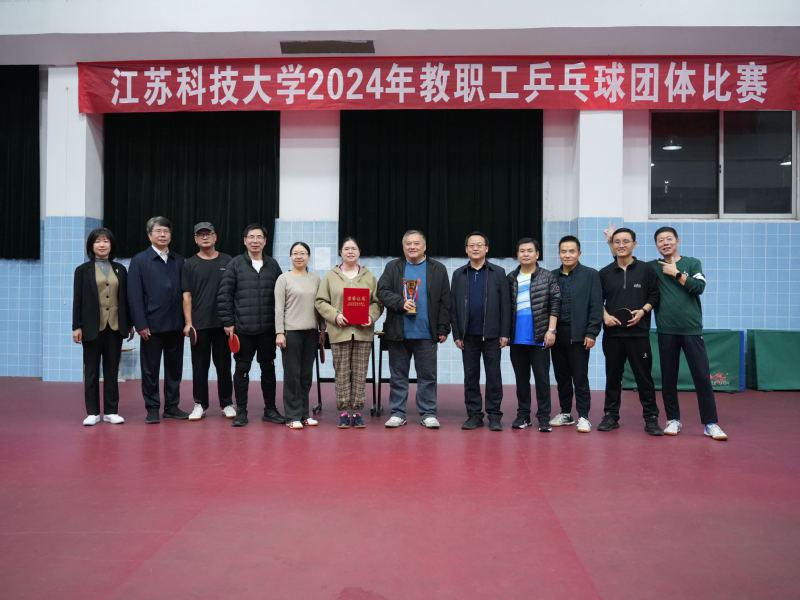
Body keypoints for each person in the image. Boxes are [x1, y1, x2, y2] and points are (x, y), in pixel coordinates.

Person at [651, 226, 728, 441]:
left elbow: (699, 287)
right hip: (666, 331)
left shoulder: (692, 263)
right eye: (660, 240)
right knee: (668, 378)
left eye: (669, 239)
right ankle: (673, 419)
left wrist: (676, 273)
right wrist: (611, 243)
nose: (665, 243)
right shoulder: (653, 267)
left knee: (702, 377)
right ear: (656, 245)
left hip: (691, 330)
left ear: (677, 241)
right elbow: (626, 262)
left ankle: (710, 423)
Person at [377, 230, 451, 429]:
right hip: (398, 333)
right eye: (408, 243)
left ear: (424, 246)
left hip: (427, 333)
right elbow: (382, 291)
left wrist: (443, 328)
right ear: (403, 247)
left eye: (416, 243)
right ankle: (397, 413)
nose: (412, 247)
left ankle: (428, 413)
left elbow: (445, 301)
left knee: (427, 377)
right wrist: (400, 302)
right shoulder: (393, 267)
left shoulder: (438, 269)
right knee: (398, 376)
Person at [217, 223, 283, 427]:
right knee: (241, 370)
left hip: (267, 330)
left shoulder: (273, 265)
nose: (255, 241)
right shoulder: (235, 264)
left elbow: (282, 297)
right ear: (245, 241)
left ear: (265, 241)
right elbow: (224, 295)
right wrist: (228, 322)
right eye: (251, 237)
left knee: (268, 369)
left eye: (259, 237)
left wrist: (280, 327)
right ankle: (241, 411)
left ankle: (270, 410)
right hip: (243, 329)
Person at [599, 227, 663, 436]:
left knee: (644, 378)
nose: (621, 245)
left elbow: (654, 295)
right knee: (612, 377)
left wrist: (643, 311)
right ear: (612, 244)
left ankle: (651, 418)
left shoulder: (646, 270)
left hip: (639, 334)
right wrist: (605, 315)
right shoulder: (604, 273)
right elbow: (596, 300)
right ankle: (611, 416)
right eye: (617, 241)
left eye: (626, 241)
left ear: (634, 244)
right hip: (613, 335)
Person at [315, 237, 382, 429]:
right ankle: (344, 412)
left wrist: (371, 316)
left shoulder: (369, 277)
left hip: (363, 333)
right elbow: (320, 301)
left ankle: (358, 411)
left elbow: (377, 302)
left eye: (354, 248)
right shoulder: (330, 276)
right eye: (346, 249)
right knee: (342, 372)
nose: (350, 252)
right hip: (339, 332)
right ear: (341, 252)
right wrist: (335, 316)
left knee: (360, 372)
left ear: (359, 252)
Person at [127, 216, 188, 423]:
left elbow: (186, 293)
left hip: (176, 325)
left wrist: (186, 322)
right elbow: (134, 295)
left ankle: (172, 406)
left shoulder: (179, 260)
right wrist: (140, 324)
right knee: (150, 370)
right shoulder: (139, 261)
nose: (163, 235)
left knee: (174, 369)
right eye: (158, 231)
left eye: (166, 231)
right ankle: (152, 408)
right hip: (151, 327)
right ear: (149, 235)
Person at [72, 227, 133, 425]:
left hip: (114, 326)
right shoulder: (82, 270)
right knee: (91, 371)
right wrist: (76, 326)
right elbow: (77, 300)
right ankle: (92, 412)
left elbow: (125, 299)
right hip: (91, 327)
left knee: (111, 370)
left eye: (106, 241)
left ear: (111, 245)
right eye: (97, 241)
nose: (102, 245)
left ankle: (111, 411)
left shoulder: (120, 269)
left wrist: (129, 324)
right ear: (91, 246)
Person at [450, 231, 510, 431]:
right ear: (466, 249)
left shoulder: (498, 273)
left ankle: (494, 415)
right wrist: (457, 334)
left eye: (479, 245)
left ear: (486, 248)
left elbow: (505, 305)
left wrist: (505, 333)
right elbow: (453, 307)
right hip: (468, 336)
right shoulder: (459, 274)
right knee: (470, 377)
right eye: (471, 245)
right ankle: (474, 415)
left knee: (494, 377)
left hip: (492, 335)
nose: (475, 248)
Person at [549, 235, 603, 433]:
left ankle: (583, 416)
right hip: (557, 334)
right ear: (559, 254)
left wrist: (592, 332)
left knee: (580, 377)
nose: (567, 255)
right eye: (563, 251)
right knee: (561, 376)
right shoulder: (551, 275)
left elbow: (596, 305)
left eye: (571, 251)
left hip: (579, 334)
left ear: (579, 253)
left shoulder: (591, 275)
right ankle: (565, 413)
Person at [181, 222, 235, 421]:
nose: (205, 237)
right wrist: (188, 323)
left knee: (224, 366)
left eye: (208, 234)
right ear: (195, 239)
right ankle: (199, 404)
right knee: (199, 367)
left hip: (223, 324)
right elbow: (186, 296)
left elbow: (233, 292)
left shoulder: (228, 261)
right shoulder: (189, 264)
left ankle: (227, 403)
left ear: (215, 237)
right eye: (200, 235)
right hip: (199, 325)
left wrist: (231, 321)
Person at [507, 237, 561, 432]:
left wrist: (551, 330)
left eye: (530, 251)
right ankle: (523, 415)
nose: (526, 254)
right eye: (522, 251)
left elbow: (555, 303)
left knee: (542, 379)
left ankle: (544, 417)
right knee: (521, 380)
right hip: (517, 338)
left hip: (540, 337)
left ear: (537, 254)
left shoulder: (548, 276)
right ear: (517, 254)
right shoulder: (511, 278)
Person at [275, 242, 323, 430]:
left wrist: (322, 330)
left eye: (302, 253)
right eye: (295, 253)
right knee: (292, 375)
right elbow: (279, 308)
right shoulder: (283, 279)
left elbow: (320, 306)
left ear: (308, 257)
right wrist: (280, 332)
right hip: (291, 333)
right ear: (290, 257)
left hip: (311, 333)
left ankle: (304, 414)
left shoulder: (315, 279)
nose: (299, 256)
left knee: (306, 376)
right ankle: (292, 416)